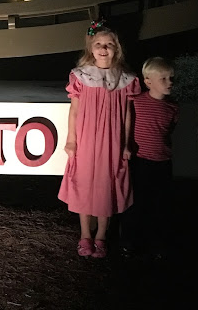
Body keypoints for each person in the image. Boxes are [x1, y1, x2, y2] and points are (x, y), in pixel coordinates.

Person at [58, 20, 140, 258]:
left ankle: (101, 236)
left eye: (109, 44)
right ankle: (85, 235)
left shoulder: (125, 79)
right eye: (98, 44)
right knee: (84, 184)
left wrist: (126, 143)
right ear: (91, 48)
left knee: (107, 186)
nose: (104, 49)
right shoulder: (82, 76)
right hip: (86, 140)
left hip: (112, 142)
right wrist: (71, 140)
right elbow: (74, 111)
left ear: (117, 48)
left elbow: (127, 114)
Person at [120, 56, 178, 258]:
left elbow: (169, 131)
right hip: (140, 162)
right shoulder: (136, 102)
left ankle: (157, 242)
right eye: (163, 78)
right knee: (135, 202)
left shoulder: (173, 108)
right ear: (148, 81)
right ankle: (128, 241)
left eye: (171, 78)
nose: (169, 82)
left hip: (163, 163)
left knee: (160, 205)